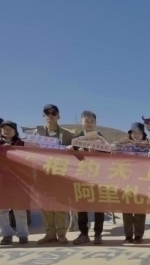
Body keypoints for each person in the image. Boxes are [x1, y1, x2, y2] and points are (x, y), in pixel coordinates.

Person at [32, 104, 75, 244]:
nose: (50, 115)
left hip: (61, 173)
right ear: (43, 115)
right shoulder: (37, 133)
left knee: (61, 205)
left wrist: (71, 148)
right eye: (47, 113)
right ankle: (49, 234)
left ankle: (61, 234)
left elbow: (76, 151)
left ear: (58, 116)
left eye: (53, 113)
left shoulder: (67, 134)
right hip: (42, 173)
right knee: (46, 205)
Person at [71, 111, 107, 245]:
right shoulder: (77, 138)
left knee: (99, 206)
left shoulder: (101, 138)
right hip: (81, 176)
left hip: (98, 176)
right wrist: (74, 151)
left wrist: (97, 153)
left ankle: (98, 234)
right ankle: (84, 233)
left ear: (96, 123)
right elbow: (70, 157)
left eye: (92, 121)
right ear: (82, 122)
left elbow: (108, 155)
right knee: (82, 206)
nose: (89, 123)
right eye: (86, 120)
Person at [0, 120, 29, 245]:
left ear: (15, 131)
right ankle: (6, 235)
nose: (7, 131)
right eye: (4, 129)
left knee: (19, 208)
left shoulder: (23, 144)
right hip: (1, 180)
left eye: (10, 128)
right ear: (0, 131)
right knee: (2, 209)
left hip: (19, 181)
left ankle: (23, 235)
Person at [119, 122, 150, 243]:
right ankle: (128, 236)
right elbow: (112, 154)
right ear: (130, 134)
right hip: (126, 181)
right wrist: (116, 145)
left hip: (142, 182)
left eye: (139, 133)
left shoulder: (149, 148)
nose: (136, 135)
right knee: (127, 210)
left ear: (143, 135)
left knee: (140, 210)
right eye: (134, 133)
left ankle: (138, 235)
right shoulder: (123, 146)